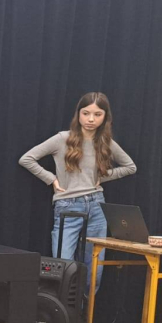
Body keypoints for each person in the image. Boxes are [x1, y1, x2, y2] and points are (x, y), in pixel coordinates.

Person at [19, 92, 137, 288]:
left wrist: (102, 176)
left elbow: (130, 167)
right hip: (68, 205)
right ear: (78, 114)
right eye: (86, 113)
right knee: (63, 266)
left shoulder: (105, 142)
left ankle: (86, 308)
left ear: (105, 117)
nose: (91, 119)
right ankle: (64, 308)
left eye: (97, 114)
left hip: (96, 205)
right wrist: (51, 179)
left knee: (94, 270)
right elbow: (27, 159)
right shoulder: (62, 139)